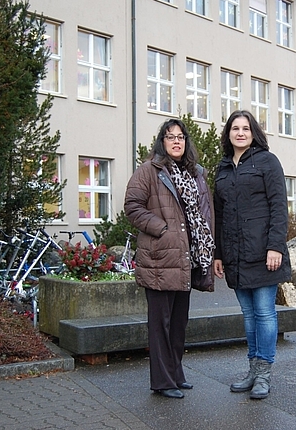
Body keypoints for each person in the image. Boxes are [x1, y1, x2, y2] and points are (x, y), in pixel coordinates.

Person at [124, 118, 215, 399]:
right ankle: (162, 381)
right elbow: (132, 206)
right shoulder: (149, 171)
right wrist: (162, 229)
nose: (176, 141)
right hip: (160, 258)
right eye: (170, 136)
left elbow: (204, 213)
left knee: (178, 323)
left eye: (180, 137)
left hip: (186, 259)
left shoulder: (195, 173)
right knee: (159, 324)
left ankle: (175, 373)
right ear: (162, 142)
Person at [213, 110, 291, 400]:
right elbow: (219, 215)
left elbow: (279, 207)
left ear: (253, 132)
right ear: (229, 134)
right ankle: (252, 370)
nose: (241, 133)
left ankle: (264, 375)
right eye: (235, 128)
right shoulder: (222, 168)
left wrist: (275, 246)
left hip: (263, 252)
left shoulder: (267, 162)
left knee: (264, 313)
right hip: (235, 254)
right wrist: (219, 253)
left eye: (246, 128)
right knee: (248, 315)